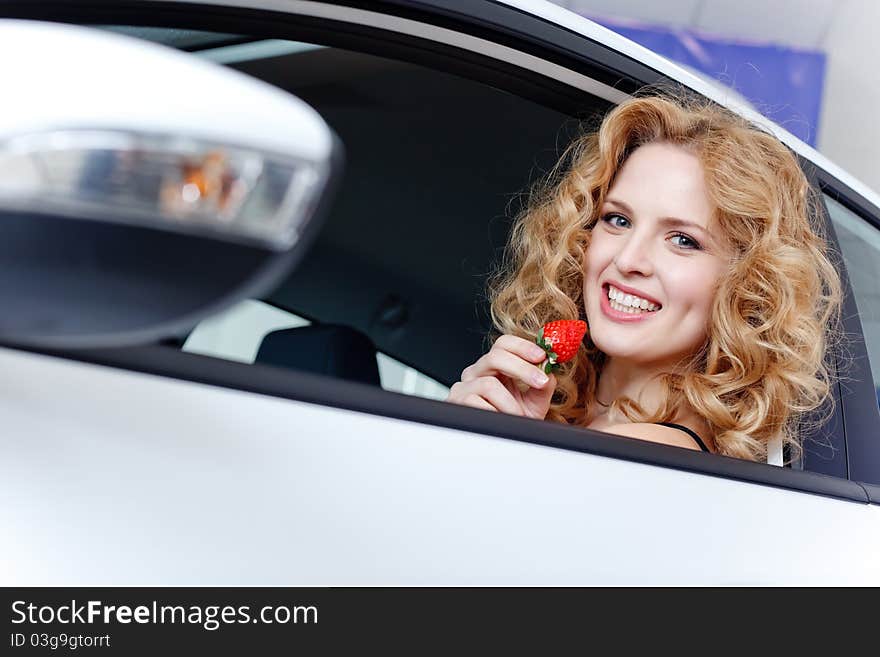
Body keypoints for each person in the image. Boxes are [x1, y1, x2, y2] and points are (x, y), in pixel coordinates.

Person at [446, 91, 842, 462]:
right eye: (617, 219)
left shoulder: (648, 455)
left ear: (747, 283)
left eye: (683, 240)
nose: (629, 258)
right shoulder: (565, 422)